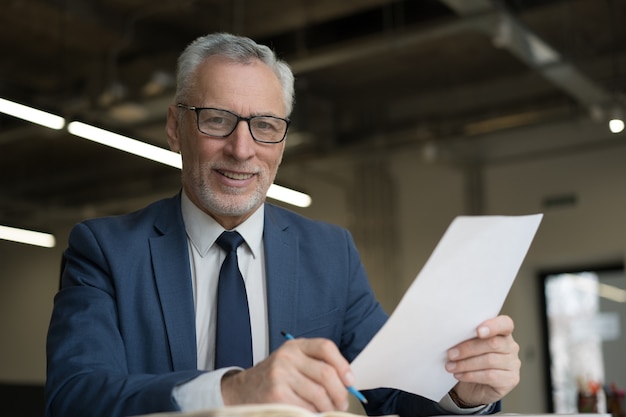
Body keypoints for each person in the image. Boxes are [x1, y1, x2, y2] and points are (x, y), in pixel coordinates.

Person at [45, 32, 521, 417]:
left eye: (266, 126)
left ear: (283, 139)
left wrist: (462, 393)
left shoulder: (331, 252)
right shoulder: (105, 250)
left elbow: (391, 391)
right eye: (216, 120)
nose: (242, 148)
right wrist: (232, 390)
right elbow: (75, 397)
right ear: (175, 127)